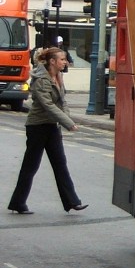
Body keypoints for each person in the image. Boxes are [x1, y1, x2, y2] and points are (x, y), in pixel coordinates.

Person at [7, 47, 87, 215]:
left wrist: (67, 119)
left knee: (60, 164)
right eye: (62, 59)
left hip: (52, 126)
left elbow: (62, 101)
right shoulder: (41, 80)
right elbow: (48, 105)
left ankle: (72, 202)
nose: (65, 62)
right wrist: (68, 123)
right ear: (52, 61)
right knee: (30, 166)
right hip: (37, 127)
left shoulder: (58, 76)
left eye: (65, 59)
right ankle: (18, 202)